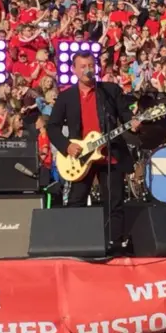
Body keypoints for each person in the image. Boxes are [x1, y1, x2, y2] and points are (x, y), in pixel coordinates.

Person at [47, 51, 141, 251]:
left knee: (114, 201)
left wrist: (132, 122)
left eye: (91, 66)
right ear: (73, 70)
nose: (87, 70)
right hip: (80, 157)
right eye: (82, 66)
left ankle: (114, 243)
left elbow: (124, 112)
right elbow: (52, 127)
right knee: (76, 200)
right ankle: (75, 243)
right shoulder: (66, 97)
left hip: (109, 154)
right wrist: (66, 146)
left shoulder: (109, 90)